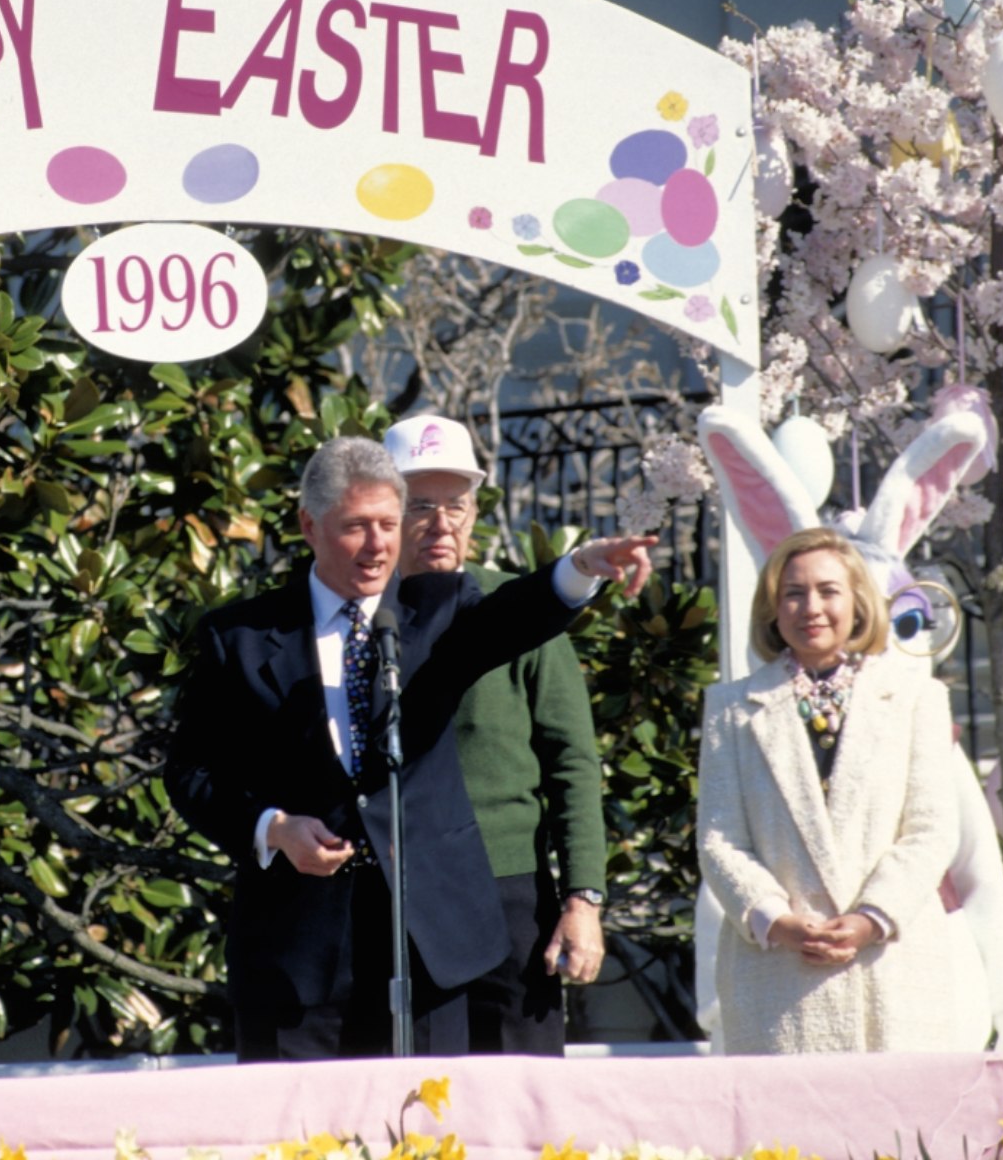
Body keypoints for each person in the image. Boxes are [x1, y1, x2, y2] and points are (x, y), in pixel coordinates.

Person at [167, 436, 652, 1060]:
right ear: (309, 526)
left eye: (389, 526)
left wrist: (580, 567)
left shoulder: (438, 611)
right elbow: (192, 773)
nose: (376, 547)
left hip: (428, 941)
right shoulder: (238, 638)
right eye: (355, 528)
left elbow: (510, 619)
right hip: (300, 946)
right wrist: (273, 827)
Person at [384, 415, 607, 1055]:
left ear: (476, 512)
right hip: (400, 894)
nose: (441, 522)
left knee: (524, 1097)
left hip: (510, 893)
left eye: (456, 505)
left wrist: (582, 899)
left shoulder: (520, 607)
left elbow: (572, 763)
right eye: (418, 505)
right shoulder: (359, 615)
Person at [696, 526, 961, 1054]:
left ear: (859, 601)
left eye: (827, 591)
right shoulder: (730, 707)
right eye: (793, 593)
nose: (810, 607)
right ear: (772, 608)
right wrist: (778, 921)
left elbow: (932, 829)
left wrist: (871, 917)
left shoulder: (916, 698)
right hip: (778, 978)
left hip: (891, 969)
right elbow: (720, 839)